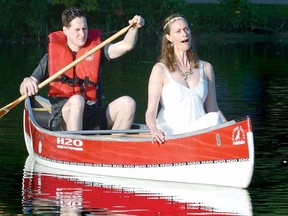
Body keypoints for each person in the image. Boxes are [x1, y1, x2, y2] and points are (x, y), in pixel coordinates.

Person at [19, 7, 145, 131]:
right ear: (65, 30)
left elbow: (127, 45)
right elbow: (27, 85)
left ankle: (114, 146)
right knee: (77, 100)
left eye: (84, 28)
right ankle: (76, 145)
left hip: (93, 114)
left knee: (128, 103)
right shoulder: (50, 59)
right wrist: (27, 81)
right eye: (77, 30)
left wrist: (133, 29)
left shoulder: (97, 50)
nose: (82, 34)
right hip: (64, 118)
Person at [145, 14, 226, 144]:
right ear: (169, 38)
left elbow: (213, 108)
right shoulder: (160, 70)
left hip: (199, 131)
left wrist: (230, 129)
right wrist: (154, 130)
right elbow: (150, 112)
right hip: (171, 134)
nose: (184, 34)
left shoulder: (206, 68)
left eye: (186, 29)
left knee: (214, 117)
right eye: (178, 31)